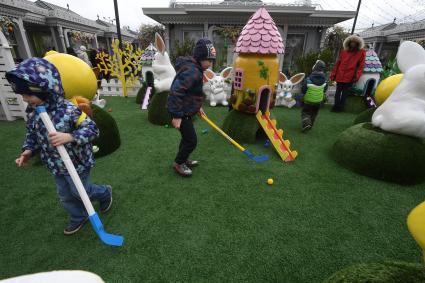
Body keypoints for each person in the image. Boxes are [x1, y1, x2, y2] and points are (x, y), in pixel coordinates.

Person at [6, 57, 112, 235]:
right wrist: (28, 150)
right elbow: (32, 134)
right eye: (22, 95)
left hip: (78, 162)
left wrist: (69, 136)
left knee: (81, 191)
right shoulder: (33, 113)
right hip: (56, 164)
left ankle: (104, 193)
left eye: (28, 94)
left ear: (44, 89)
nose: (25, 99)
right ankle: (78, 216)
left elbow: (92, 130)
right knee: (66, 195)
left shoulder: (69, 110)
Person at [167, 38, 216, 177]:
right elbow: (176, 92)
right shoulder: (192, 71)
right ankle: (178, 163)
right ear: (201, 58)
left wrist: (198, 107)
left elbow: (192, 93)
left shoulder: (196, 69)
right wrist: (177, 115)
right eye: (209, 60)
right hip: (180, 112)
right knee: (191, 140)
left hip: (185, 110)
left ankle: (183, 159)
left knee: (186, 138)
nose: (211, 63)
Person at [329, 35, 366, 112]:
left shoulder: (361, 52)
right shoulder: (344, 51)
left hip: (350, 76)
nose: (353, 43)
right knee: (338, 92)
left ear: (358, 43)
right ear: (349, 42)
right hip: (340, 74)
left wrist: (357, 76)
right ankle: (336, 106)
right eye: (351, 42)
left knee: (345, 93)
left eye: (355, 42)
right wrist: (333, 74)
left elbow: (361, 66)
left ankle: (340, 108)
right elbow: (338, 63)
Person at [300, 60, 328, 132]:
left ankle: (306, 124)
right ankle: (311, 124)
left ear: (314, 68)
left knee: (305, 112)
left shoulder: (308, 79)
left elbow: (303, 89)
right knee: (314, 113)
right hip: (318, 101)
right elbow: (325, 90)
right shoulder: (325, 80)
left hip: (308, 100)